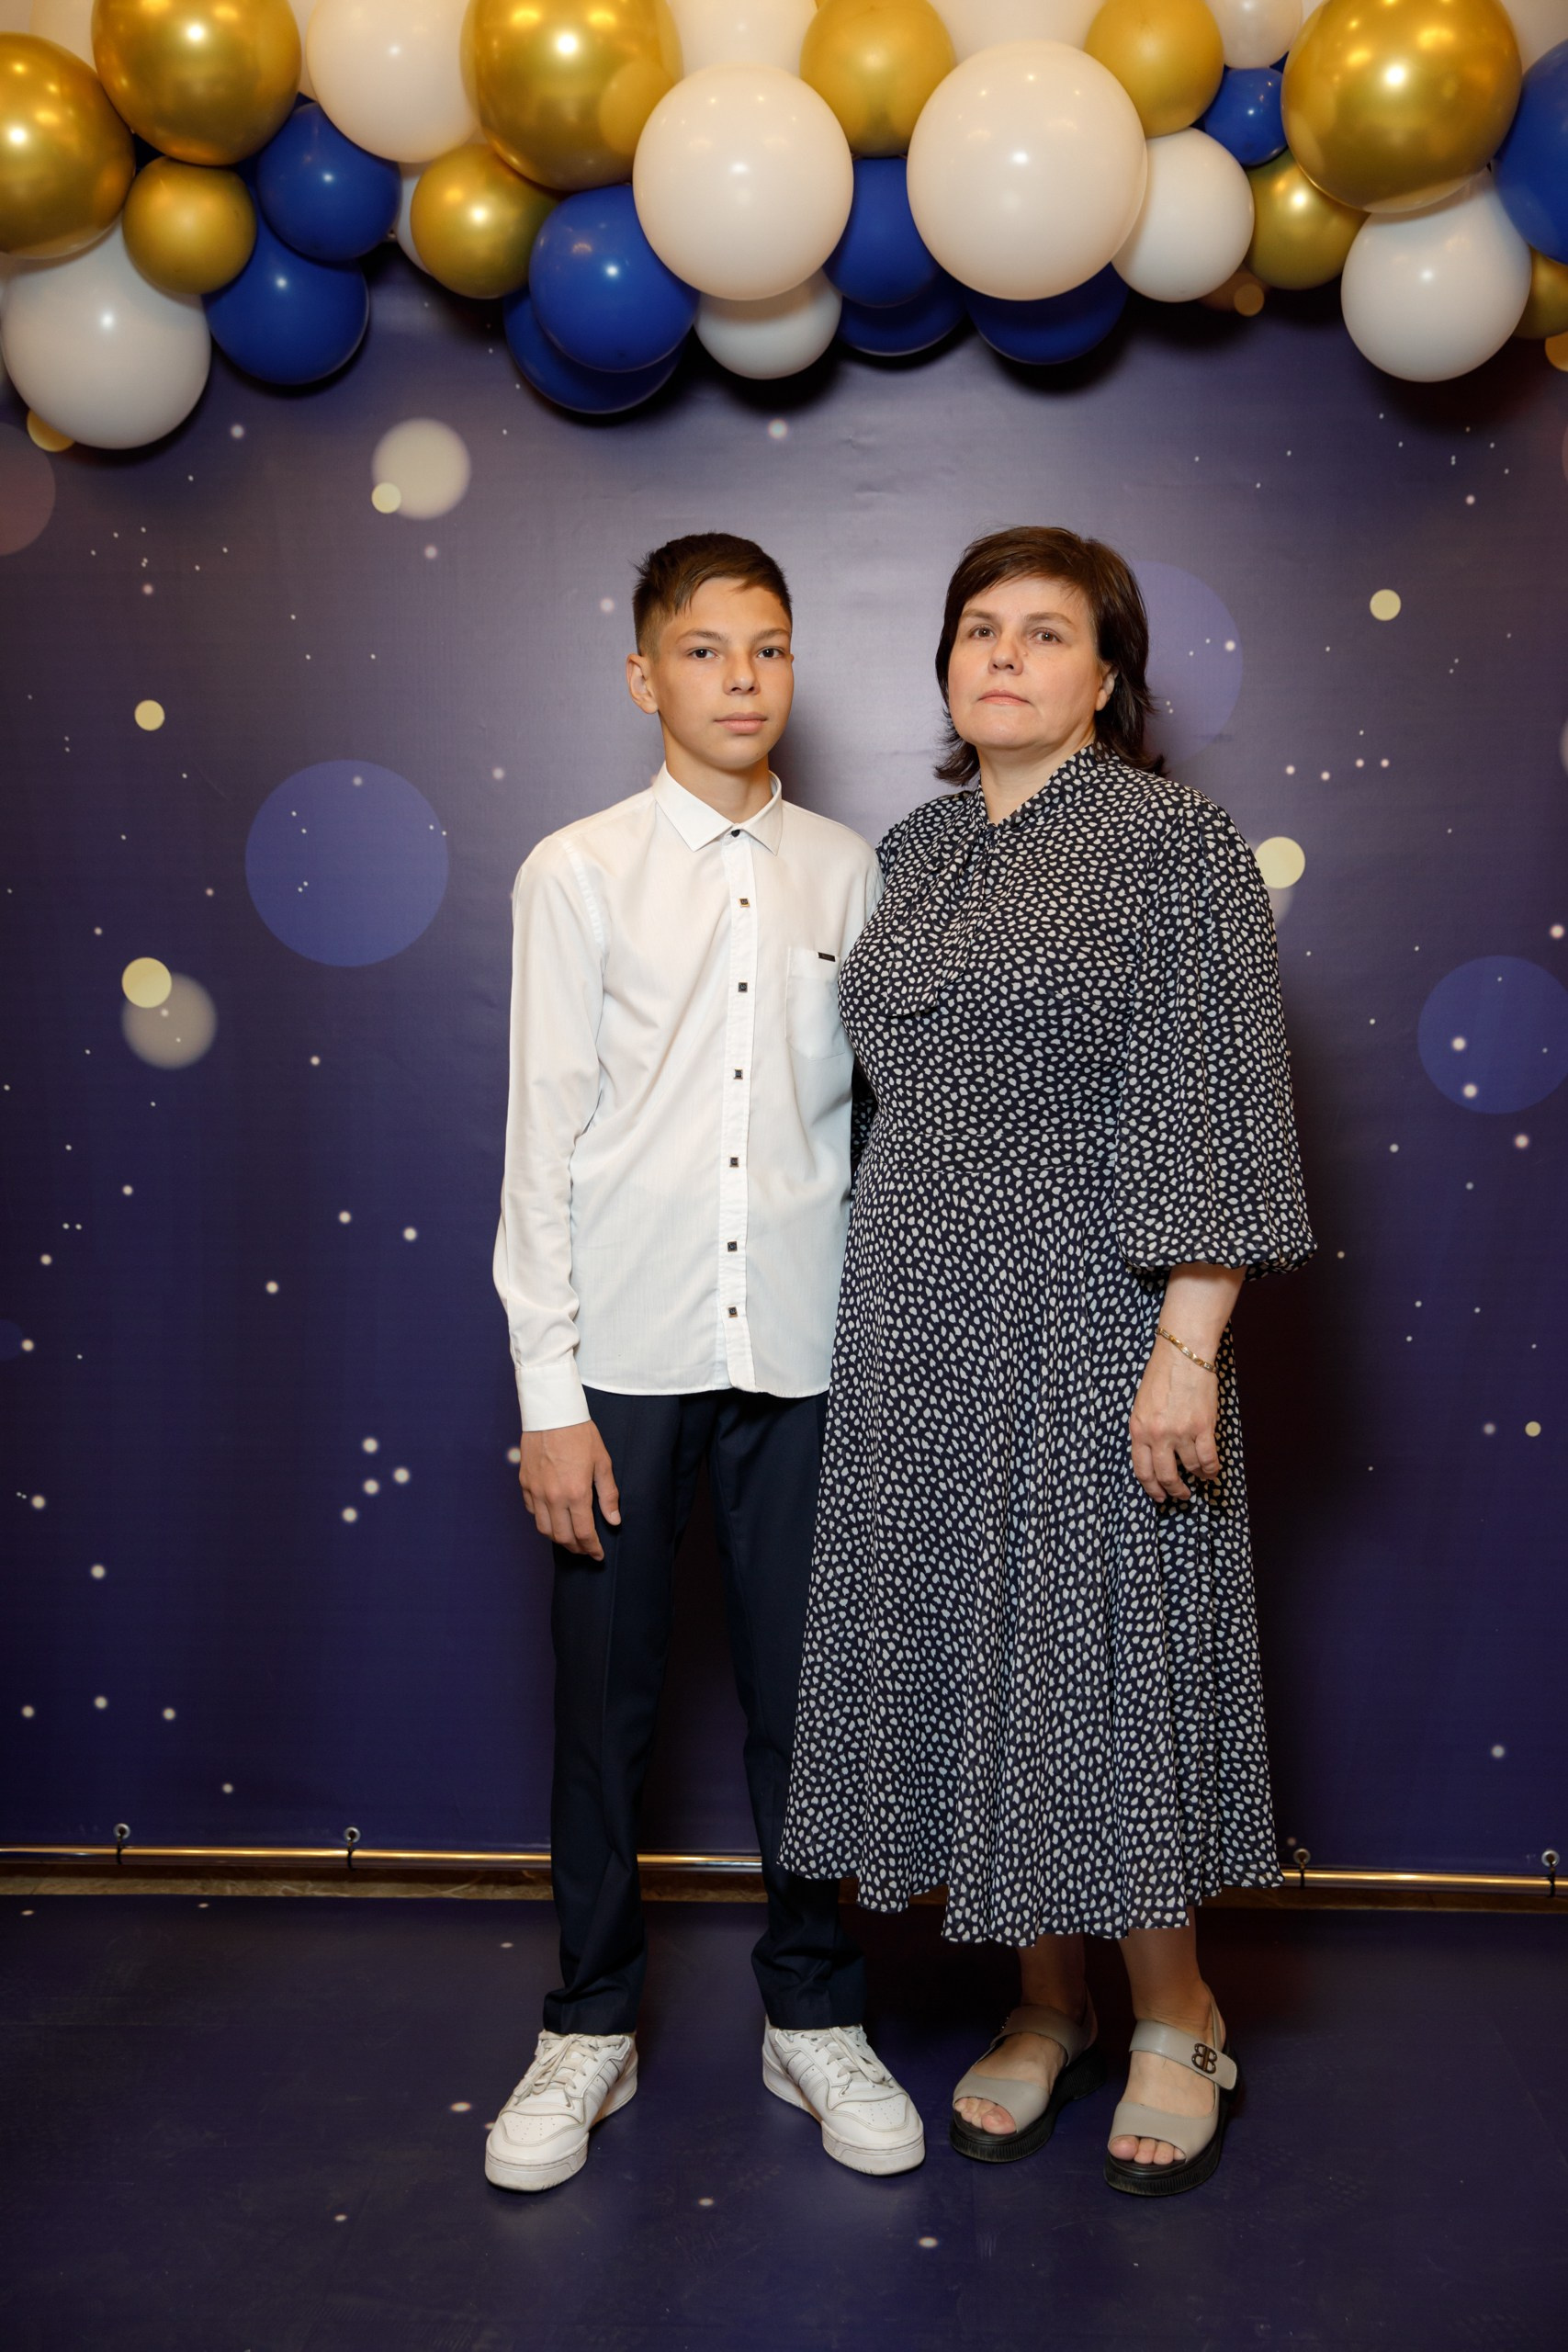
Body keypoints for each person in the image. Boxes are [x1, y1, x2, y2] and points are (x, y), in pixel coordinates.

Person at [779, 526, 1313, 2198]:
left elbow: (1223, 1102)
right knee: (987, 1663)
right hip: (918, 1325)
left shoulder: (1171, 843)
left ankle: (1177, 2012)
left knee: (1103, 1662)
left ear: (1106, 679)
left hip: (1098, 1317)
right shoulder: (919, 851)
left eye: (1046, 632)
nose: (1003, 655)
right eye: (978, 629)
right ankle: (1048, 2001)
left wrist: (1188, 1347)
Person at [486, 532, 924, 2194]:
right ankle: (587, 2026)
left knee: (807, 1707)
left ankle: (810, 2010)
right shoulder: (576, 871)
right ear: (642, 673)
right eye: (704, 650)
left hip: (808, 1358)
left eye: (770, 649)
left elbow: (886, 1128)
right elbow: (542, 1142)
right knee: (604, 1712)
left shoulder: (854, 872)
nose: (742, 681)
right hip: (623, 1359)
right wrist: (549, 1397)